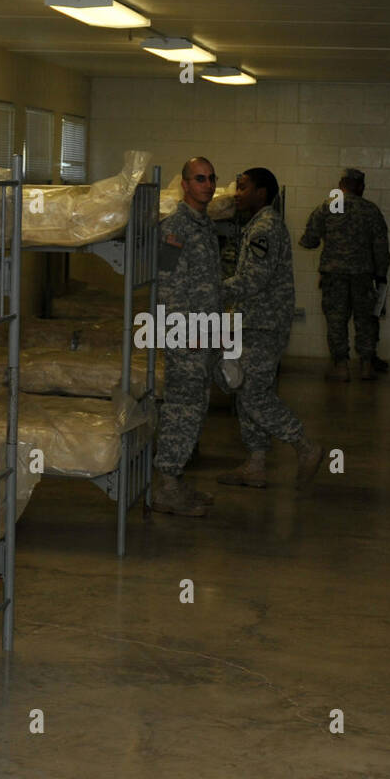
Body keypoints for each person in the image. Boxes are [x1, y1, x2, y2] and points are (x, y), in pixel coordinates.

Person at [217, 167, 324, 489]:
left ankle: (304, 446)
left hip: (263, 323)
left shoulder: (264, 228)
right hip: (253, 320)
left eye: (243, 187)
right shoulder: (257, 224)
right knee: (245, 389)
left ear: (261, 193)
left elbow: (254, 279)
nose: (237, 193)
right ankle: (256, 463)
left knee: (252, 393)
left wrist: (213, 290)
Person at [152, 156, 223, 517]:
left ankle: (176, 480)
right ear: (185, 184)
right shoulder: (175, 228)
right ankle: (166, 486)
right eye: (200, 179)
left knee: (195, 408)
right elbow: (167, 287)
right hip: (187, 335)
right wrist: (184, 332)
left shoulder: (205, 226)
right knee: (181, 409)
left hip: (206, 332)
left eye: (211, 178)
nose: (208, 185)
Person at [298, 167, 390, 382]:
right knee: (366, 320)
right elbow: (381, 248)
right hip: (364, 275)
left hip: (334, 275)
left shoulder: (327, 207)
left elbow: (309, 241)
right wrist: (381, 275)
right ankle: (366, 366)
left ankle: (341, 366)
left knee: (336, 321)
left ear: (341, 185)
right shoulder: (371, 210)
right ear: (358, 186)